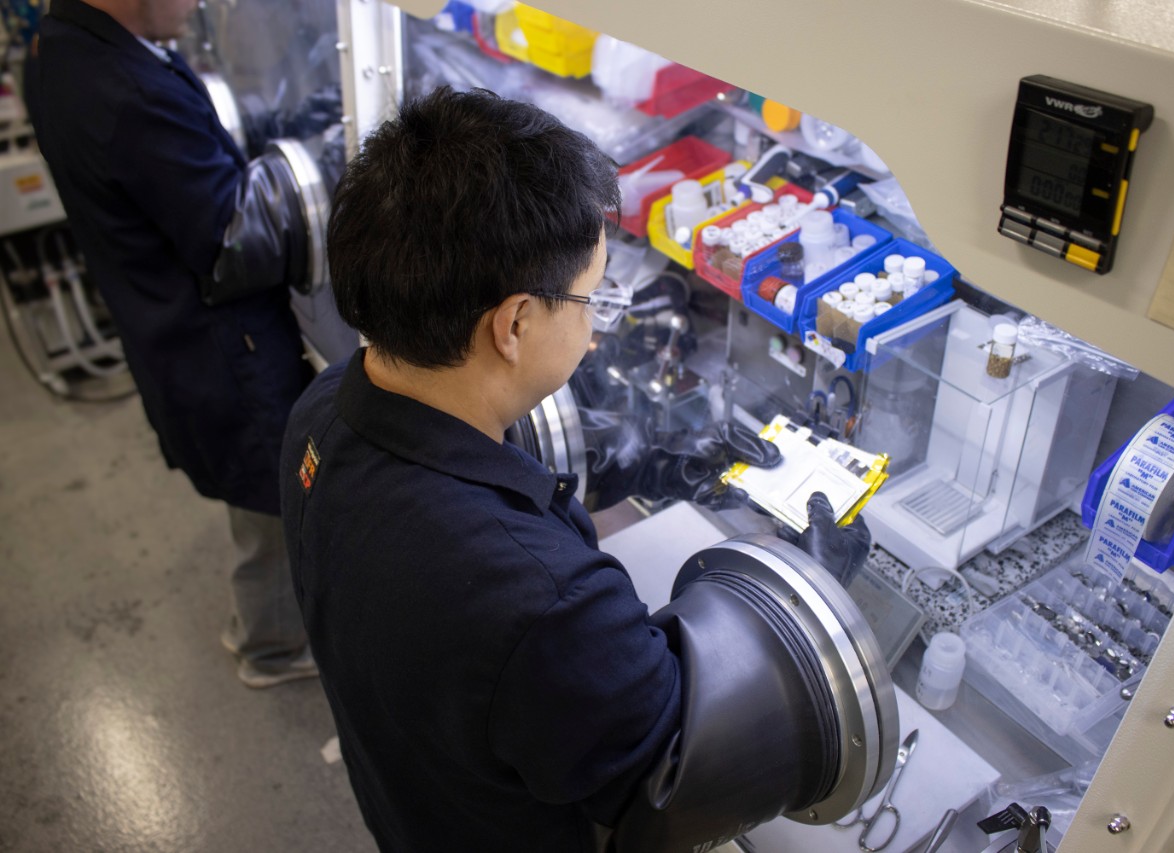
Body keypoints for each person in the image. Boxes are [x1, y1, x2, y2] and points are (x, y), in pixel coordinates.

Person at [282, 87, 868, 851]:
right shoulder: (543, 605)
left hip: (412, 797)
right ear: (515, 322)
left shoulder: (323, 407)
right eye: (591, 298)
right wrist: (805, 590)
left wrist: (634, 459)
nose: (595, 330)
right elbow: (678, 779)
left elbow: (461, 481)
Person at [31, 0, 328, 686]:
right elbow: (231, 243)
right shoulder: (127, 92)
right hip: (222, 344)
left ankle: (264, 621)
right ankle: (272, 647)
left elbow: (168, 174)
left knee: (254, 495)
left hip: (166, 321)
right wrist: (318, 170)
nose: (198, 3)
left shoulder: (60, 47)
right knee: (271, 494)